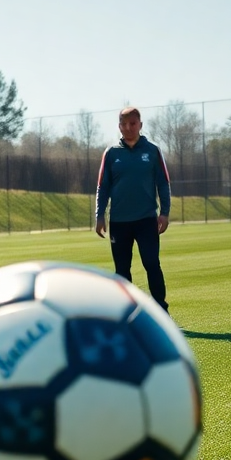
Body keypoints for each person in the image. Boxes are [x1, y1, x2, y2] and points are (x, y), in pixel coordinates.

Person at [95, 106, 171, 312]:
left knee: (151, 264)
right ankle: (126, 312)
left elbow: (163, 183)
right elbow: (103, 186)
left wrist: (164, 212)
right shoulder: (111, 154)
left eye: (133, 123)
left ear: (140, 125)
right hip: (119, 222)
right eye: (124, 124)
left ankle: (161, 310)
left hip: (146, 220)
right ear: (119, 126)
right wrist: (99, 214)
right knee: (121, 270)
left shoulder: (152, 151)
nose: (128, 128)